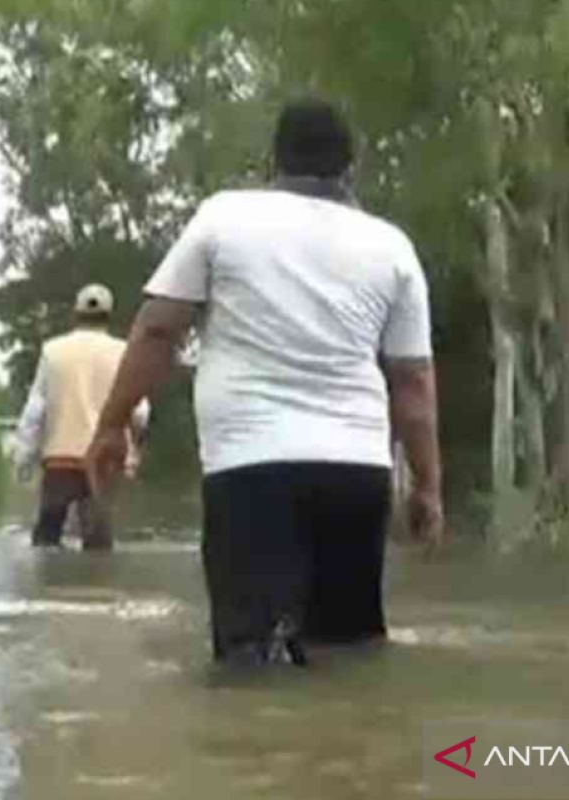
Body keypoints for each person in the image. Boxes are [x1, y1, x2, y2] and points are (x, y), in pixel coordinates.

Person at [86, 99, 444, 665]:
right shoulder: (391, 247)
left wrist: (111, 425)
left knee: (250, 659)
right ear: (352, 168)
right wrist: (428, 484)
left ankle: (261, 752)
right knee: (348, 658)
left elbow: (159, 330)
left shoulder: (224, 218)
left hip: (250, 470)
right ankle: (361, 753)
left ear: (272, 162)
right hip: (357, 472)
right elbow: (413, 381)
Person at [15, 284, 149, 550]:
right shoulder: (123, 352)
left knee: (46, 538)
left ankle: (46, 586)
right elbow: (141, 411)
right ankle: (96, 585)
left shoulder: (52, 351)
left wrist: (24, 457)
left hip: (59, 459)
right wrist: (134, 451)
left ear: (75, 314)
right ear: (109, 315)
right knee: (98, 540)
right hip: (104, 460)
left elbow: (35, 410)